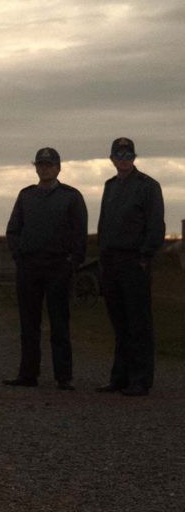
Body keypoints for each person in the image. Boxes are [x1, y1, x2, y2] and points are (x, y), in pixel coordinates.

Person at [4, 147, 88, 391]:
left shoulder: (71, 197)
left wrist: (72, 263)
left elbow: (79, 234)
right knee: (28, 324)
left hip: (58, 267)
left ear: (58, 167)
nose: (45, 168)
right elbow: (13, 229)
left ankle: (64, 376)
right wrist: (19, 255)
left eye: (49, 164)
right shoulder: (26, 196)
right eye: (40, 164)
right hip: (29, 267)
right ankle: (28, 374)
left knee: (60, 323)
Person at [96, 137, 165, 397]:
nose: (123, 160)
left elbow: (156, 225)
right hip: (111, 262)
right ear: (112, 158)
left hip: (134, 261)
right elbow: (104, 223)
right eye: (118, 155)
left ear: (133, 157)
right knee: (119, 323)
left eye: (127, 155)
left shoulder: (148, 186)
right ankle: (120, 377)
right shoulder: (110, 186)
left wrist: (145, 256)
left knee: (138, 323)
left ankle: (140, 379)